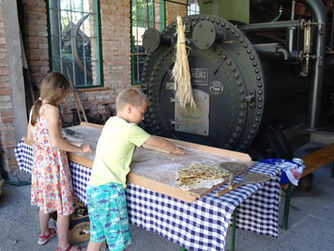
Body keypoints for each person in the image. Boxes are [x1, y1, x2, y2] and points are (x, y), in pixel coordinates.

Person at [86, 88, 185, 251]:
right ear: (130, 108)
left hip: (94, 189)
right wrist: (175, 149)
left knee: (96, 237)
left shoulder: (111, 123)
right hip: (110, 192)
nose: (143, 117)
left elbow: (142, 143)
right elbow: (157, 142)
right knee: (118, 244)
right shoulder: (130, 129)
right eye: (142, 113)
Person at [27, 72, 92, 251]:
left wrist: (57, 140)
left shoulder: (36, 107)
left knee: (45, 203)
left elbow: (30, 137)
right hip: (54, 165)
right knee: (63, 207)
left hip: (40, 164)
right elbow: (56, 142)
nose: (65, 97)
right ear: (58, 90)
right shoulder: (53, 110)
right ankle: (63, 245)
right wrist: (80, 148)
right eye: (65, 93)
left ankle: (44, 234)